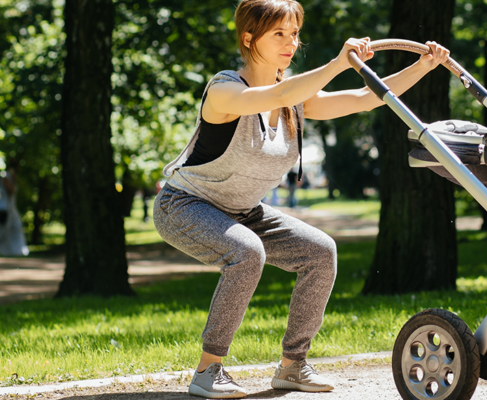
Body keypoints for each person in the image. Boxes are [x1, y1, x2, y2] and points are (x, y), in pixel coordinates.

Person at [152, 0, 450, 398]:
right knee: (247, 253)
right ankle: (208, 371)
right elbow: (275, 92)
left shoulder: (295, 99)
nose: (291, 42)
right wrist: (335, 63)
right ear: (248, 38)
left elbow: (365, 97)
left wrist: (422, 67)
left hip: (242, 210)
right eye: (279, 34)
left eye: (294, 33)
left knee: (320, 251)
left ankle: (293, 366)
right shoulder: (225, 90)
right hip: (184, 205)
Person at [0, 165, 29, 257]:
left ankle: (16, 250)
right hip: (5, 208)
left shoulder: (10, 177)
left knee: (16, 228)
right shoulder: (5, 177)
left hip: (11, 208)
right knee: (3, 231)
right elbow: (11, 191)